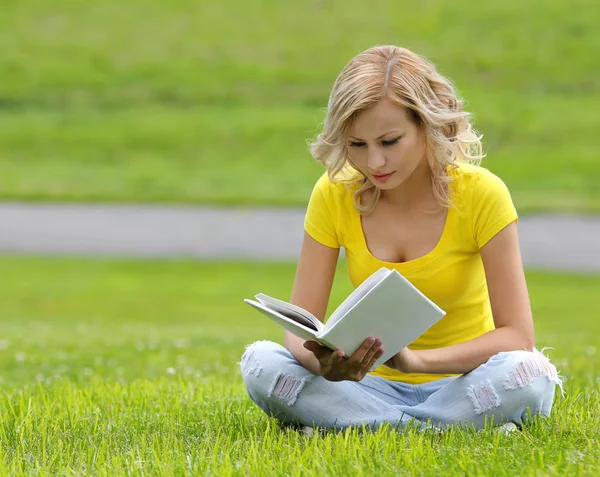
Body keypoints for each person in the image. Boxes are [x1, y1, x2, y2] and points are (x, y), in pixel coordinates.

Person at [239, 45, 562, 431]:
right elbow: (299, 330)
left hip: (463, 383)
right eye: (357, 145)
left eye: (389, 141)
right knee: (261, 363)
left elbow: (517, 336)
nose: (374, 162)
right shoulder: (332, 193)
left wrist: (417, 362)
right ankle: (441, 429)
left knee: (529, 372)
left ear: (428, 125)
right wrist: (323, 363)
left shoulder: (482, 194)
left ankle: (353, 426)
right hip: (363, 386)